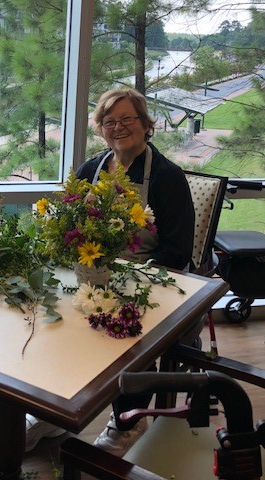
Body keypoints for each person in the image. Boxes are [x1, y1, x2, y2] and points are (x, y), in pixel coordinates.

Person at [25, 87, 195, 454]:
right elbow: (72, 223)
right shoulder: (93, 169)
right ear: (101, 129)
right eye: (109, 121)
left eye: (127, 119)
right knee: (51, 319)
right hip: (94, 272)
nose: (118, 127)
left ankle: (128, 421)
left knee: (121, 331)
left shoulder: (167, 177)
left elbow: (178, 251)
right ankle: (53, 410)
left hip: (149, 277)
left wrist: (124, 277)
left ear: (146, 124)